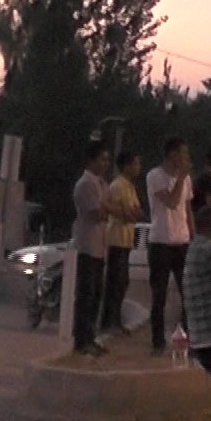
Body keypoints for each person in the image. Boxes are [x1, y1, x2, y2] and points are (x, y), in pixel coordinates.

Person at [144, 136, 195, 353]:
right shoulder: (155, 176)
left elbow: (187, 209)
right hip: (161, 242)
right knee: (159, 295)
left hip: (182, 241)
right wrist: (181, 179)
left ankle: (189, 339)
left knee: (188, 293)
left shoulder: (187, 179)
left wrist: (194, 236)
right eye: (183, 154)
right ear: (173, 155)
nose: (187, 158)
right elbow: (172, 202)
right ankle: (157, 342)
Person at [71, 142, 112, 357]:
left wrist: (109, 210)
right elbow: (99, 213)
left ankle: (90, 337)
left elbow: (111, 209)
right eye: (102, 159)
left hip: (100, 246)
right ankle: (81, 340)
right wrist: (109, 210)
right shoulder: (85, 184)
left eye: (107, 160)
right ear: (91, 160)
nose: (105, 164)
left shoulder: (102, 184)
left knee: (96, 295)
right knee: (86, 295)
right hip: (87, 245)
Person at [99, 150, 143, 335]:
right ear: (126, 166)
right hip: (116, 239)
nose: (138, 168)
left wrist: (131, 213)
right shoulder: (118, 185)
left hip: (126, 239)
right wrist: (129, 213)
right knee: (115, 281)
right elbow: (125, 213)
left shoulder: (130, 186)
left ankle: (115, 320)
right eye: (136, 164)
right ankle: (108, 322)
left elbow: (137, 212)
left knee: (122, 281)